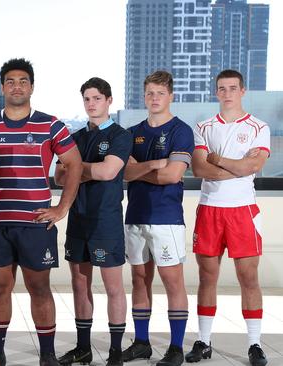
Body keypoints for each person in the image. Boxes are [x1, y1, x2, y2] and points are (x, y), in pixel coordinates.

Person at [0, 58, 83, 366]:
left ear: (31, 87)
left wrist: (62, 207)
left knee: (39, 288)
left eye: (23, 81)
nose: (17, 86)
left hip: (34, 223)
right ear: (2, 87)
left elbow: (75, 164)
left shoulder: (51, 124)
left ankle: (47, 356)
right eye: (10, 81)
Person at [187, 69, 270, 366]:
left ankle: (255, 344)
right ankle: (204, 341)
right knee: (207, 277)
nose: (227, 93)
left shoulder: (259, 127)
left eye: (232, 88)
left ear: (243, 91)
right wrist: (238, 165)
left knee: (249, 277)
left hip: (243, 210)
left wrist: (219, 159)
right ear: (216, 92)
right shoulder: (204, 126)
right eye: (221, 88)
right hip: (210, 209)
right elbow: (198, 169)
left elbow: (253, 167)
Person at [55, 77, 131, 366]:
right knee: (79, 284)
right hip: (78, 218)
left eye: (96, 98)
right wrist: (84, 170)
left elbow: (108, 172)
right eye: (87, 99)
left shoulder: (120, 136)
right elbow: (59, 177)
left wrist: (76, 168)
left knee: (113, 287)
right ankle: (83, 348)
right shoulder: (75, 137)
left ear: (108, 100)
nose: (91, 104)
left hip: (106, 220)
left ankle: (114, 352)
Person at [121, 71, 194, 366]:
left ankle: (176, 347)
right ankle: (141, 343)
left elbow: (173, 174)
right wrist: (153, 166)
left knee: (172, 282)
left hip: (166, 218)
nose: (154, 98)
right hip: (135, 215)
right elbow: (122, 172)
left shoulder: (181, 131)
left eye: (160, 93)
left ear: (171, 96)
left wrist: (139, 169)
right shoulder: (130, 132)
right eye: (150, 93)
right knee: (139, 279)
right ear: (144, 95)